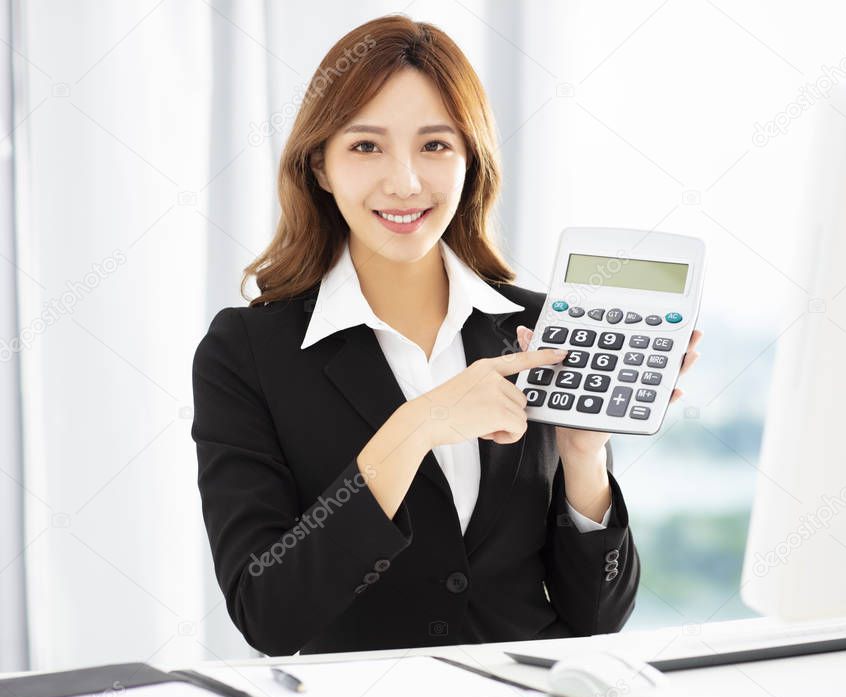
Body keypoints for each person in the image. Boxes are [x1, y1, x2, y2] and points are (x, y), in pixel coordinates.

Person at [191, 14, 703, 657]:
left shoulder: (539, 328)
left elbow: (596, 621)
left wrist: (583, 453)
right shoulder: (247, 351)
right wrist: (419, 424)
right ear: (319, 166)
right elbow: (267, 612)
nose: (405, 181)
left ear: (470, 160)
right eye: (365, 146)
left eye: (435, 146)